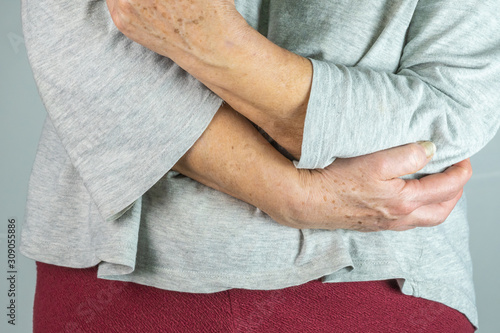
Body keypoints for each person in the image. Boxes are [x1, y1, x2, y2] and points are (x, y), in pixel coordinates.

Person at [20, 0, 499, 331]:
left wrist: (217, 46)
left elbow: (456, 104)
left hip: (379, 283)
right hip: (117, 275)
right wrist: (292, 195)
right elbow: (70, 21)